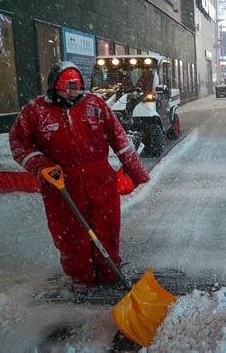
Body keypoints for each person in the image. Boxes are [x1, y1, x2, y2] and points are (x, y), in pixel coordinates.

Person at [9, 61, 150, 291]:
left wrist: (136, 171)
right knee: (71, 236)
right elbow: (18, 143)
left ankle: (110, 273)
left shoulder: (95, 105)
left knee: (107, 229)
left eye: (75, 86)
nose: (71, 91)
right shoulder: (35, 111)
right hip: (61, 183)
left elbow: (119, 138)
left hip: (99, 179)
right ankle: (82, 279)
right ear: (53, 86)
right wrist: (41, 164)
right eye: (65, 86)